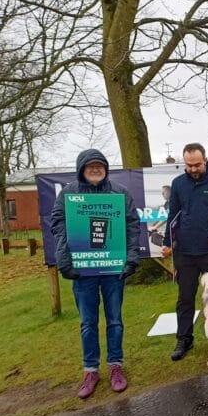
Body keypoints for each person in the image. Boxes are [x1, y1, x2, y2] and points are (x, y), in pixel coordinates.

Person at [50, 149, 140, 399]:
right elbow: (57, 225)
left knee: (115, 320)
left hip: (113, 269)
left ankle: (115, 366)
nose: (95, 169)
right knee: (88, 323)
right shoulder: (69, 194)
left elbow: (132, 226)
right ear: (81, 169)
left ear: (106, 169)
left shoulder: (119, 193)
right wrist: (64, 260)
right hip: (83, 270)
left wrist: (131, 258)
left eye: (100, 165)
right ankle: (91, 370)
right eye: (90, 166)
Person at [161, 143, 208, 361]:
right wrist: (167, 242)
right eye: (188, 165)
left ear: (205, 160)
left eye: (197, 165)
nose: (193, 169)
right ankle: (184, 339)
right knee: (185, 297)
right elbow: (173, 216)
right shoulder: (178, 184)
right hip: (185, 252)